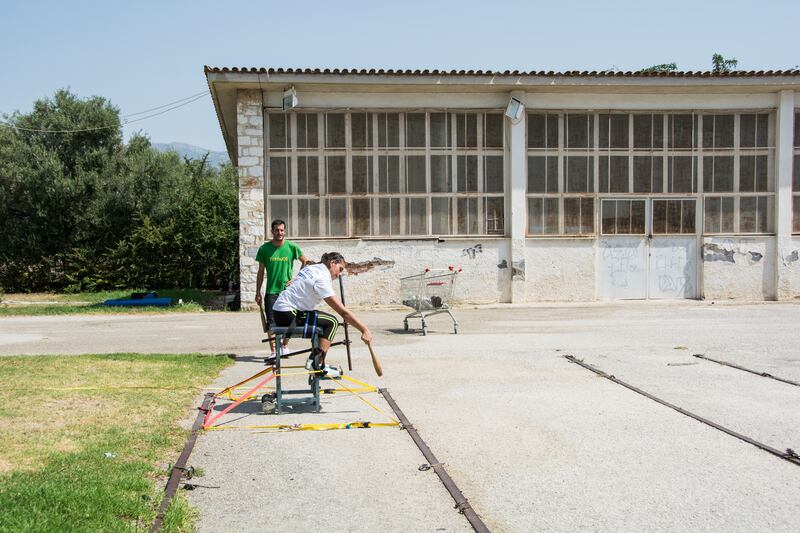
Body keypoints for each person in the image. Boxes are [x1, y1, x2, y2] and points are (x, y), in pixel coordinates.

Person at [272, 252, 372, 378]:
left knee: (321, 320)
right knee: (332, 321)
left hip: (280, 310)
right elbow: (343, 312)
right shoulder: (322, 278)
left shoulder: (312, 268)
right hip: (288, 314)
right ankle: (317, 365)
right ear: (332, 263)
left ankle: (317, 360)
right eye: (340, 269)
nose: (339, 274)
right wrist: (364, 329)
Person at [255, 219, 308, 357]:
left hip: (288, 292)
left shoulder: (292, 247)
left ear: (285, 231)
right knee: (271, 323)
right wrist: (257, 292)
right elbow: (260, 272)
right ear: (272, 231)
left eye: (282, 230)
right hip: (271, 291)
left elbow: (306, 262)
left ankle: (284, 345)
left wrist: (296, 279)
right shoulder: (264, 249)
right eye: (277, 230)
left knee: (291, 320)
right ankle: (274, 351)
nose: (279, 232)